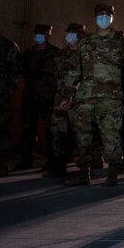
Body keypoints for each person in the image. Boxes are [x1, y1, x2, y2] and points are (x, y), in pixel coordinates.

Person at [60, 3, 124, 186]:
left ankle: (112, 173)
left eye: (107, 15)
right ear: (95, 18)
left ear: (112, 17)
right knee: (83, 135)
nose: (103, 18)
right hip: (85, 97)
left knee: (111, 136)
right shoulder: (85, 43)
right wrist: (66, 96)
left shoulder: (120, 42)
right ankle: (84, 173)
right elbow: (73, 71)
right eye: (100, 15)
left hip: (110, 98)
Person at [44, 22, 85, 177]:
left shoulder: (87, 55)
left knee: (81, 135)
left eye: (74, 33)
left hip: (79, 101)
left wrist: (73, 98)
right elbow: (56, 76)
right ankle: (59, 165)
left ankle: (84, 169)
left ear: (81, 35)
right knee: (59, 133)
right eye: (69, 32)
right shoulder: (60, 55)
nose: (70, 36)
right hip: (60, 99)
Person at [18, 23, 59, 170]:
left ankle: (51, 161)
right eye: (37, 33)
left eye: (43, 33)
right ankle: (26, 160)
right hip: (31, 97)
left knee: (50, 130)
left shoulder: (56, 54)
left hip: (48, 98)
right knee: (28, 128)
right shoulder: (28, 53)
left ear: (49, 34)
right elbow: (23, 72)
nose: (39, 36)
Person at [0, 16, 22, 177]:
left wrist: (7, 91)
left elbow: (16, 72)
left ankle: (2, 165)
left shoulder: (7, 46)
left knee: (1, 132)